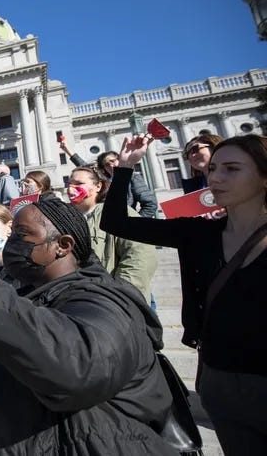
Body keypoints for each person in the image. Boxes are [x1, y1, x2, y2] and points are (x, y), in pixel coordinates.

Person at [0, 199, 177, 455]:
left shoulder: (105, 300)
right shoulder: (31, 294)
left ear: (62, 245)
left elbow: (72, 364)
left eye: (22, 234)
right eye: (13, 233)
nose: (13, 242)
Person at [101, 134, 267, 455]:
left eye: (232, 169)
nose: (215, 177)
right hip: (222, 382)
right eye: (214, 168)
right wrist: (124, 168)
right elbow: (116, 221)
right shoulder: (198, 233)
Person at [67, 165, 157, 303]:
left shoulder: (119, 212)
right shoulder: (66, 219)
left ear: (98, 186)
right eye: (69, 184)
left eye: (79, 184)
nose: (70, 188)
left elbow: (140, 255)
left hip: (111, 303)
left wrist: (121, 294)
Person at [59, 140, 158, 218]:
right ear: (104, 168)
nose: (111, 165)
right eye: (107, 164)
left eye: (113, 161)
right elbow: (85, 167)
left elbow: (150, 204)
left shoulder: (132, 177)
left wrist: (134, 223)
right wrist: (68, 150)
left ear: (119, 160)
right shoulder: (104, 180)